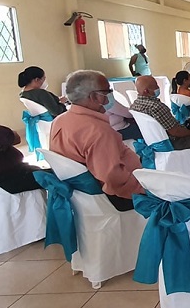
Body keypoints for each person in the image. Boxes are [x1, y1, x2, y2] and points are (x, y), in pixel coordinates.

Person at [49, 70, 144, 211]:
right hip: (115, 196)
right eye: (107, 92)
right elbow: (113, 178)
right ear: (94, 97)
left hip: (80, 193)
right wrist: (145, 189)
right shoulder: (97, 131)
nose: (109, 96)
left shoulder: (59, 120)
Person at [130, 76, 190, 173]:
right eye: (155, 86)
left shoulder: (134, 106)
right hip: (173, 141)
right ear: (146, 91)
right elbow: (175, 131)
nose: (158, 88)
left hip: (152, 141)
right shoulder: (156, 106)